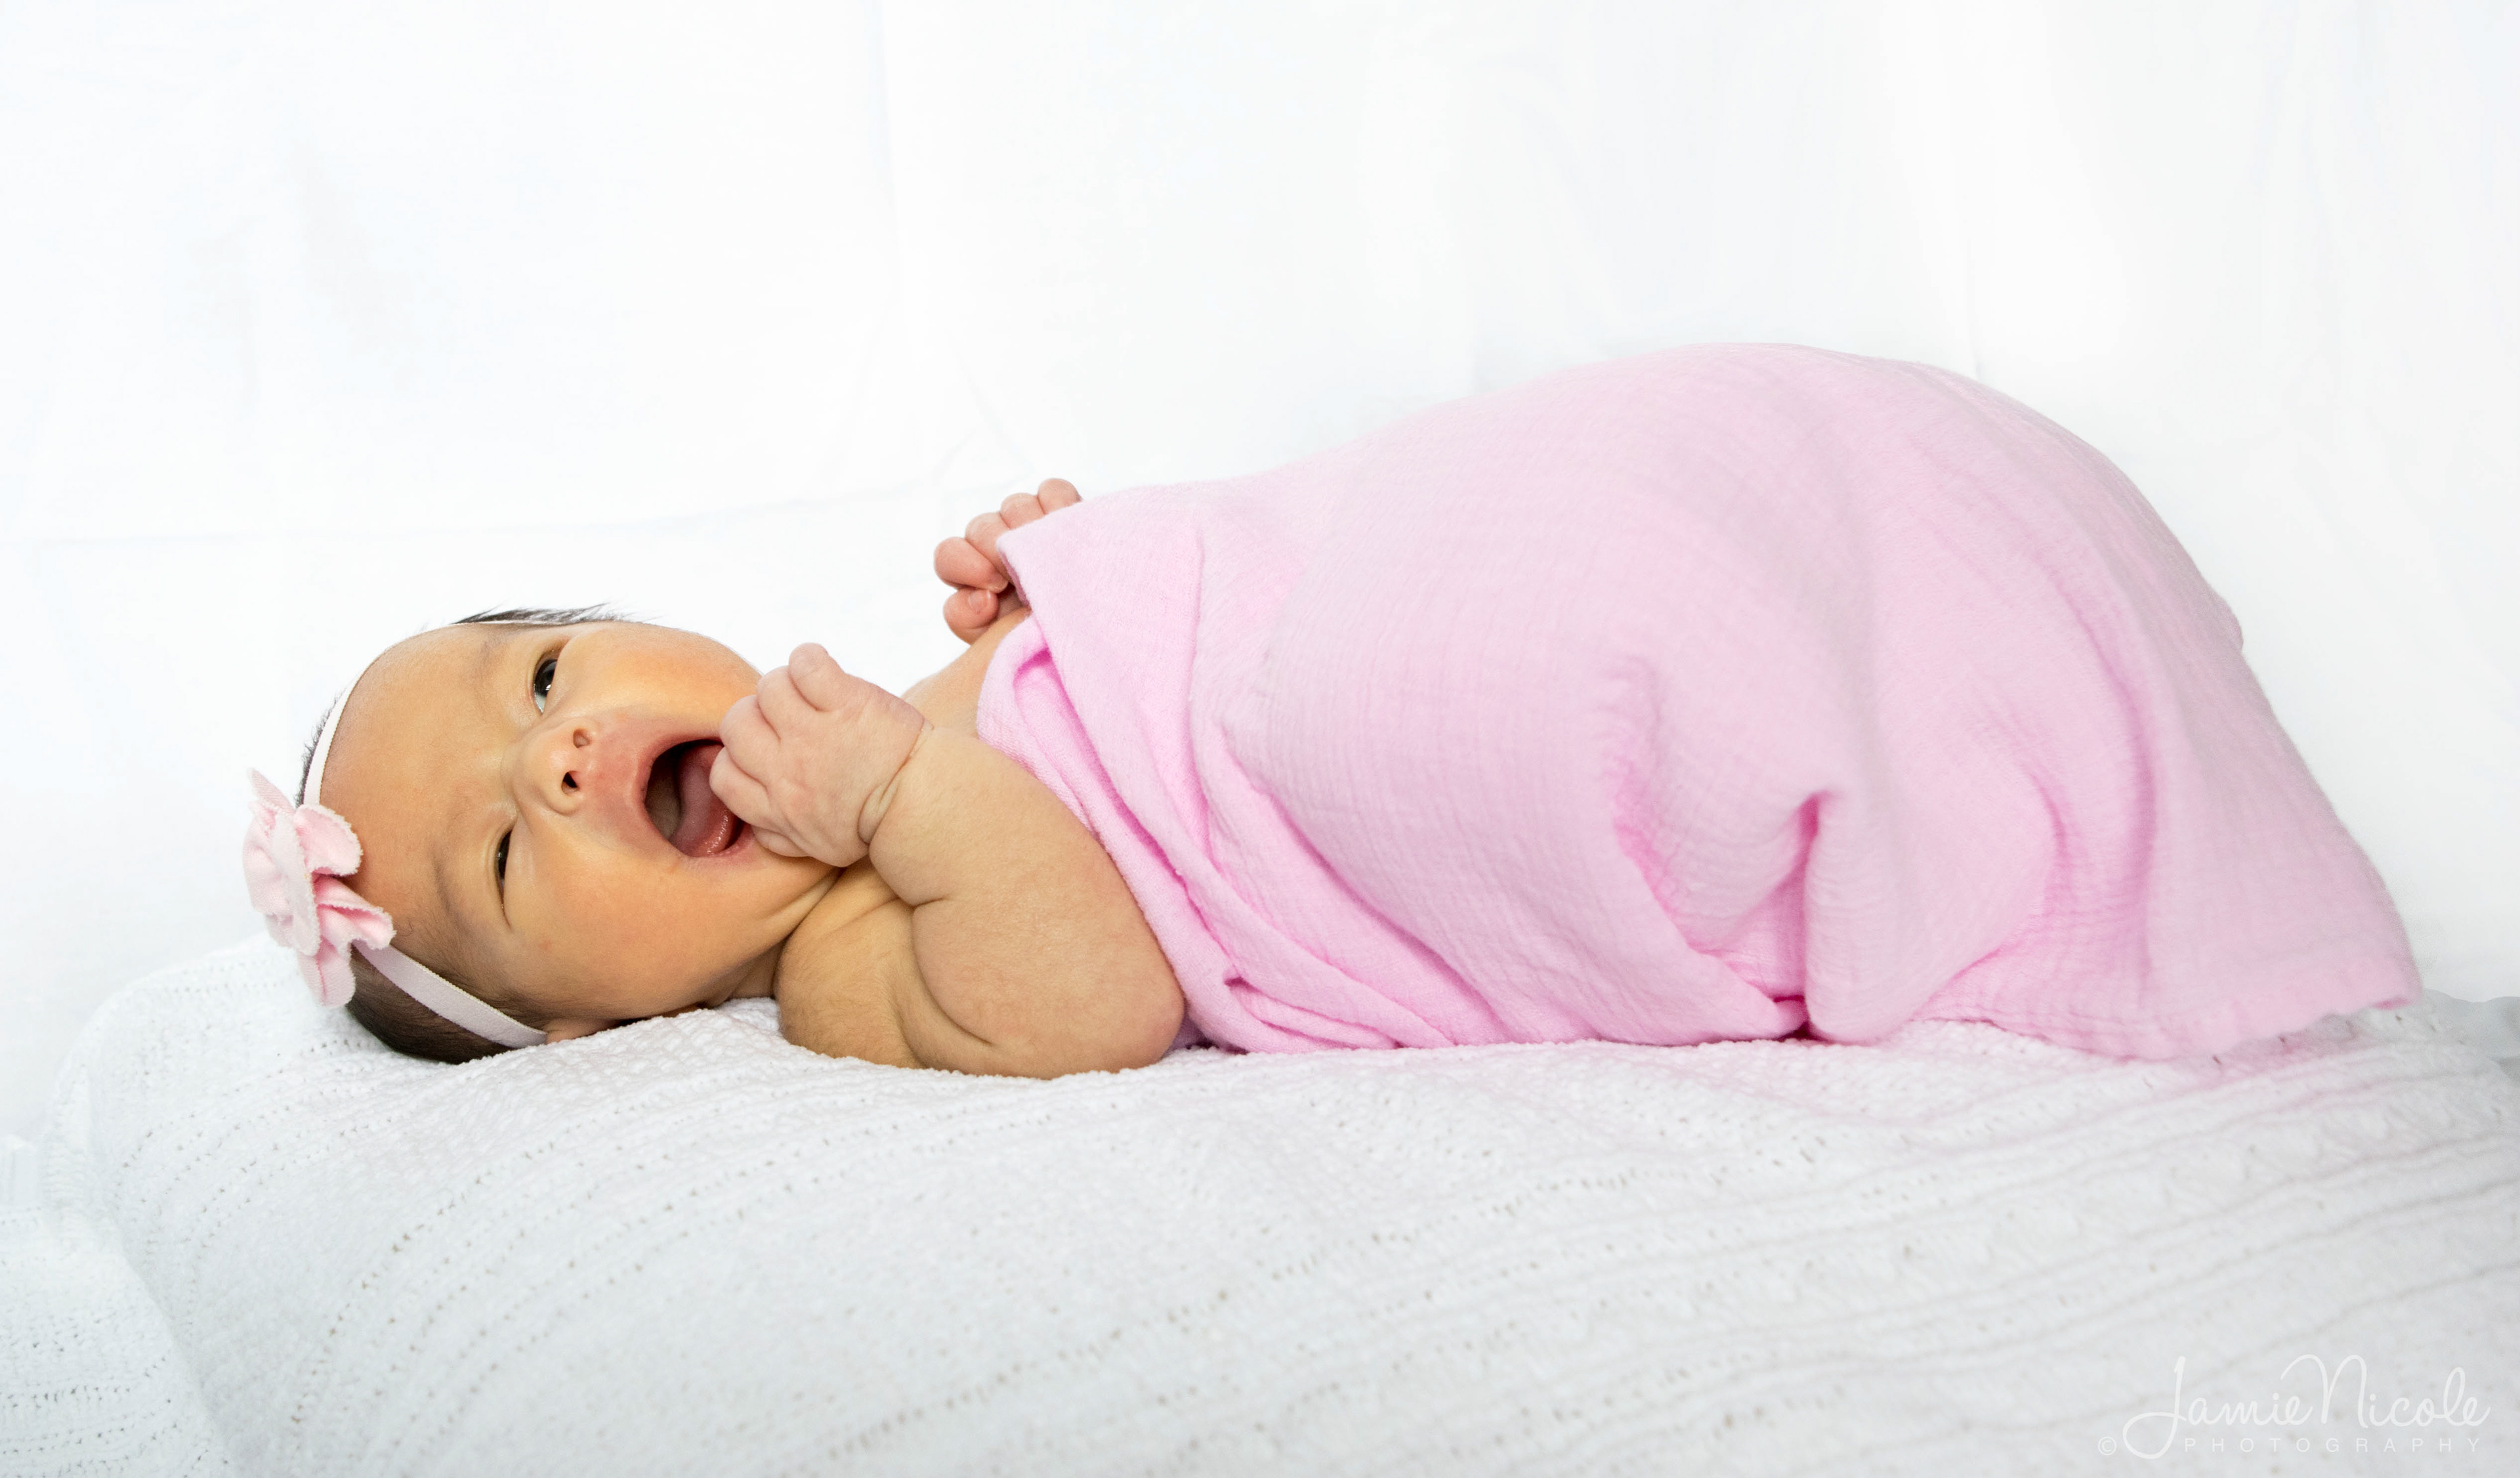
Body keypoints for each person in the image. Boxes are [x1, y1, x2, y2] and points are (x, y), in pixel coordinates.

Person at [243, 345, 2421, 1076]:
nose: (557, 747)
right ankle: (1813, 680)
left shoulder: (870, 707)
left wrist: (1064, 582)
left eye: (545, 674)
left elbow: (1146, 675)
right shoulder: (827, 974)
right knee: (1554, 664)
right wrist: (911, 782)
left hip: (1308, 603)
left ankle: (1843, 538)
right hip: (1320, 789)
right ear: (597, 1028)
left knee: (1603, 498)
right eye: (511, 847)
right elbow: (1085, 982)